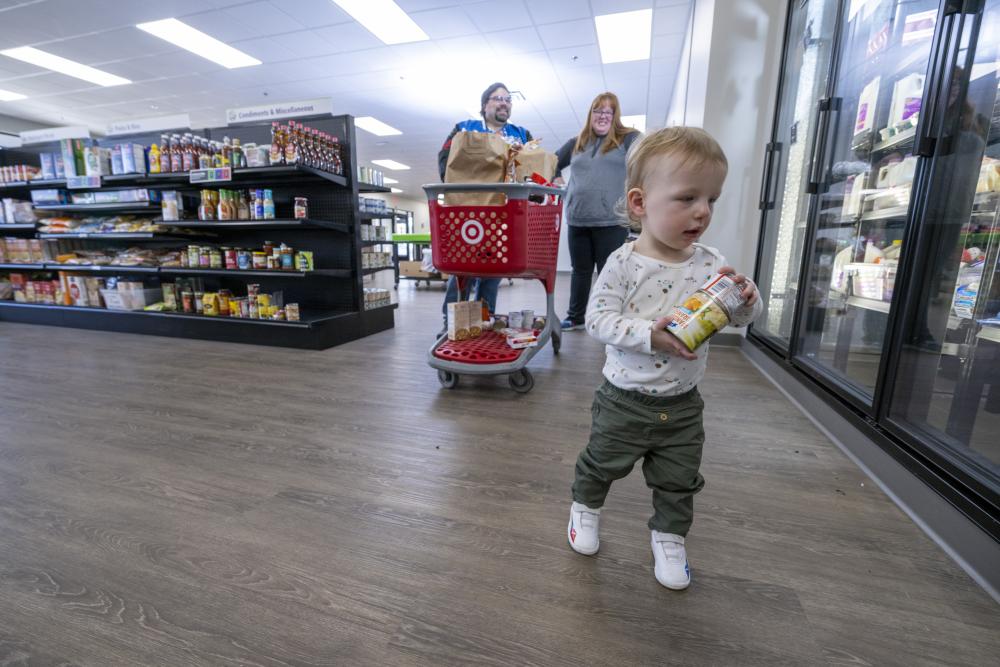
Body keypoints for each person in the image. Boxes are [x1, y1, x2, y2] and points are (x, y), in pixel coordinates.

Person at [565, 127, 762, 590]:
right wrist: (647, 336)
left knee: (679, 479)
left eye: (712, 199)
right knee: (602, 462)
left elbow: (737, 319)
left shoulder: (711, 263)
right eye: (687, 197)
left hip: (683, 403)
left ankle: (670, 536)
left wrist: (746, 300)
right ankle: (585, 507)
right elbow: (597, 321)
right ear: (639, 203)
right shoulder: (623, 263)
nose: (703, 211)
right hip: (623, 401)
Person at [437, 83, 533, 331]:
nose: (504, 103)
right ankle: (452, 325)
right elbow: (445, 161)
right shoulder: (464, 129)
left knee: (492, 274)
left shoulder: (522, 134)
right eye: (498, 98)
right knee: (461, 273)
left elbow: (533, 170)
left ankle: (483, 322)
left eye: (508, 99)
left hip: (503, 219)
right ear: (484, 105)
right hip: (467, 217)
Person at [553, 92, 640, 331]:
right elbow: (551, 162)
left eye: (608, 112)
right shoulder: (577, 142)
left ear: (615, 115)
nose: (602, 116)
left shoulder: (627, 139)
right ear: (590, 114)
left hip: (610, 220)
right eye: (597, 111)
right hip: (578, 218)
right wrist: (556, 178)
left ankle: (608, 319)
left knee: (608, 272)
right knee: (580, 271)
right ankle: (576, 316)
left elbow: (646, 157)